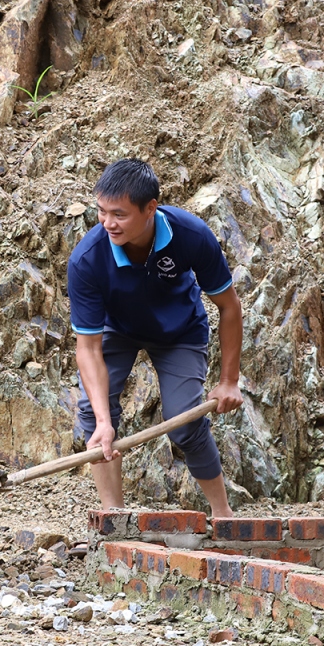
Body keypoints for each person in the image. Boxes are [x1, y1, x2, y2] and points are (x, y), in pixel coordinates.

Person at [67, 159, 243, 515]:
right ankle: (113, 522)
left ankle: (225, 518)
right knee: (94, 416)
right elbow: (87, 347)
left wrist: (228, 380)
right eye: (101, 211)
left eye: (119, 214)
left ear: (150, 208)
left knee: (187, 423)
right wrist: (104, 422)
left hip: (179, 331)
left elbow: (229, 307)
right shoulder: (87, 259)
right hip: (118, 329)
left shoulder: (191, 235)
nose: (107, 223)